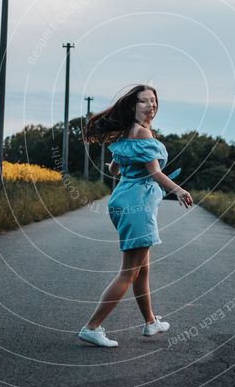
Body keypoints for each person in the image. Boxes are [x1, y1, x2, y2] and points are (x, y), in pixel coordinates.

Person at [78, 84, 194, 348]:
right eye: (144, 101)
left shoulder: (125, 134)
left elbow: (114, 168)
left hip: (122, 201)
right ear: (133, 106)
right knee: (128, 273)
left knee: (142, 271)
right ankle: (92, 327)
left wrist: (124, 165)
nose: (151, 105)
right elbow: (154, 172)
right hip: (137, 206)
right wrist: (178, 190)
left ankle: (150, 322)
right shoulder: (142, 133)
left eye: (153, 101)